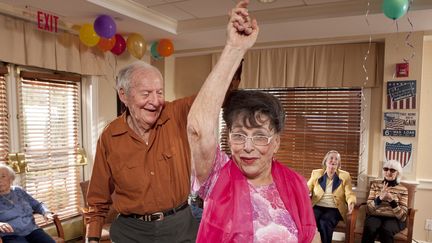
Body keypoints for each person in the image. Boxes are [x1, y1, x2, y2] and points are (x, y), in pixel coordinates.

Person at [84, 4, 246, 242]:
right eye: (146, 93)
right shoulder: (110, 136)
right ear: (123, 95)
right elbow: (97, 200)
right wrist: (92, 239)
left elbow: (217, 95)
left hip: (179, 227)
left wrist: (235, 50)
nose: (155, 101)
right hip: (131, 232)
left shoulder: (177, 113)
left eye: (159, 92)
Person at [187, 1, 317, 242]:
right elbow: (197, 130)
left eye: (259, 135)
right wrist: (234, 49)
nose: (248, 146)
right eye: (239, 135)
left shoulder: (295, 183)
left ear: (276, 142)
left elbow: (311, 236)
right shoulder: (217, 178)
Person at [307, 150, 356, 243]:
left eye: (336, 159)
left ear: (338, 163)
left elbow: (349, 193)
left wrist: (351, 202)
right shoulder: (316, 173)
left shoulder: (345, 176)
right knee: (310, 220)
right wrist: (307, 193)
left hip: (334, 208)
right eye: (331, 158)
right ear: (325, 161)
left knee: (324, 222)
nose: (333, 160)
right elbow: (307, 188)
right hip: (317, 205)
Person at [0, 164, 55, 243]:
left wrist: (46, 212)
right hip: (11, 235)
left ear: (11, 179)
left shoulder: (18, 191)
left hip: (32, 230)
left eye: (3, 176)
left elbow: (37, 204)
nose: (0, 180)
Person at [361, 160, 408, 243]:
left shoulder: (403, 190)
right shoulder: (375, 185)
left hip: (394, 218)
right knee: (369, 227)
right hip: (376, 215)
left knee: (386, 230)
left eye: (392, 170)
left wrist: (391, 200)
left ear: (398, 173)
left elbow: (403, 216)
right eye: (386, 169)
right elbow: (368, 210)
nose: (388, 172)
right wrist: (379, 198)